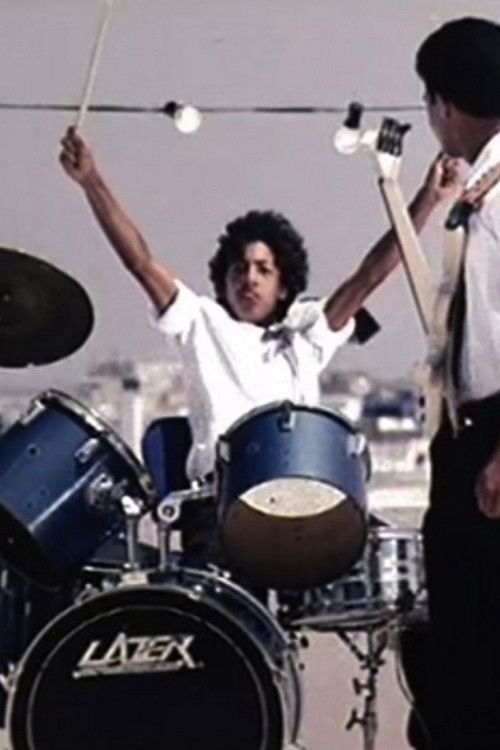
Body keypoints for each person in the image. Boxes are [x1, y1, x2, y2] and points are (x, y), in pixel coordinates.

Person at [59, 126, 457, 569]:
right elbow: (140, 261)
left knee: (393, 559)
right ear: (224, 279)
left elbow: (369, 277)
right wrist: (91, 180)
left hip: (304, 507)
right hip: (220, 509)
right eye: (239, 269)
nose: (249, 278)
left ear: (283, 284)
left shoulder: (305, 340)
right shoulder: (201, 323)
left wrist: (427, 199)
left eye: (263, 270)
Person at [405, 16, 500, 750]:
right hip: (468, 434)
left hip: (493, 437)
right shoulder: (481, 188)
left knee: (478, 652)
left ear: (444, 103)